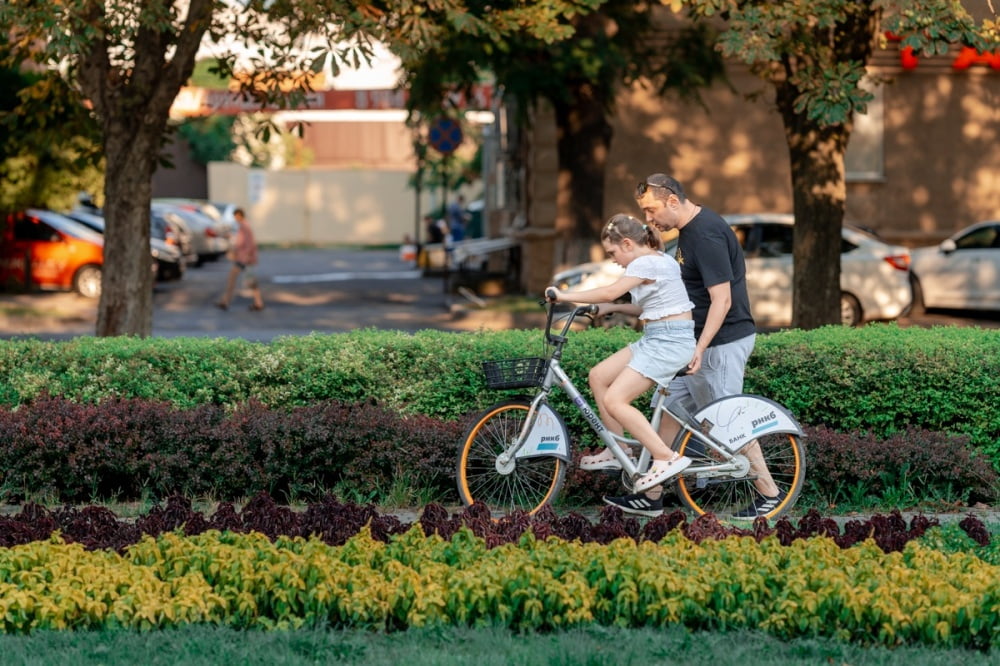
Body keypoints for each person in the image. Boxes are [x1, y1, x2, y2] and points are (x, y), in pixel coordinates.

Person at [603, 173, 782, 518]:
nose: (648, 220)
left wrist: (699, 348)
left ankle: (769, 492)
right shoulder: (688, 233)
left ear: (673, 200)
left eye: (652, 210)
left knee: (726, 420)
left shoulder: (706, 233)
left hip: (720, 343)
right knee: (667, 409)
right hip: (691, 344)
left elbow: (722, 300)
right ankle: (652, 495)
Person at [546, 214, 697, 492]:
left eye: (613, 252)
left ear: (627, 244)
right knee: (599, 376)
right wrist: (613, 309)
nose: (613, 259)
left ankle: (665, 457)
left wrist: (564, 296)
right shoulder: (658, 260)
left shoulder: (646, 262)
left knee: (616, 400)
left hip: (669, 343)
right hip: (658, 337)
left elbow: (610, 291)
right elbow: (647, 309)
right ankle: (620, 450)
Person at [216, 208, 264, 312]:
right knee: (247, 280)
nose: (235, 218)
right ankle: (257, 302)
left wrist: (245, 256)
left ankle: (226, 301)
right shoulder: (243, 226)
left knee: (237, 279)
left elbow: (249, 244)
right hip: (244, 258)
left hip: (244, 259)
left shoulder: (245, 226)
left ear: (239, 216)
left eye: (236, 216)